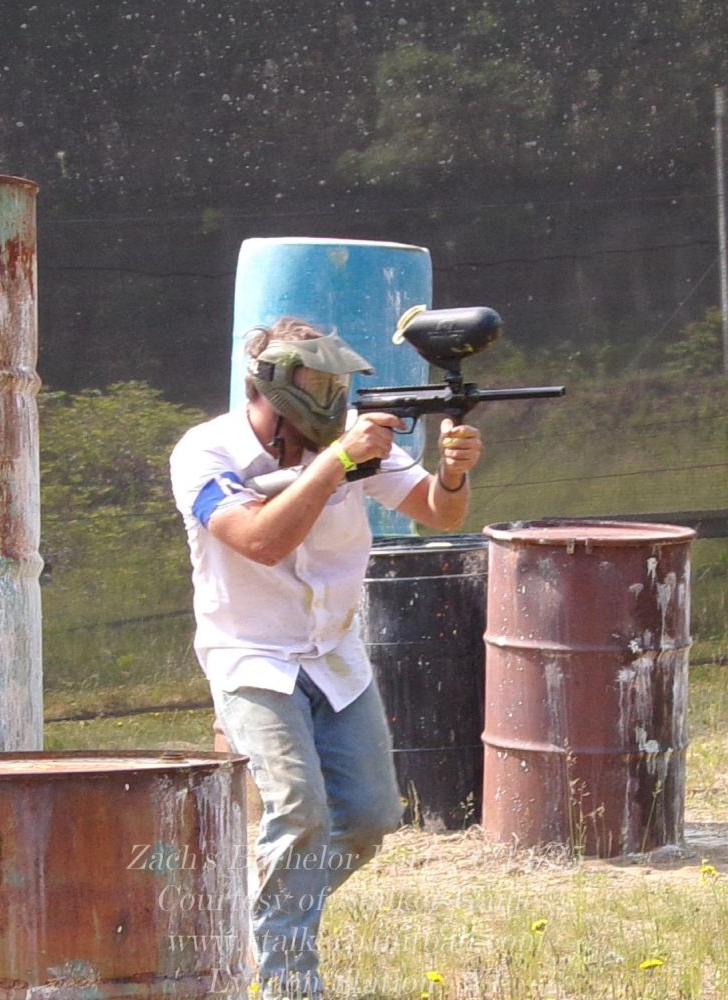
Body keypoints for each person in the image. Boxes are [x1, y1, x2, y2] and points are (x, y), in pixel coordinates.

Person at [169, 316, 483, 998]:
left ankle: (261, 908)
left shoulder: (346, 443)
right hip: (251, 657)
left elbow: (440, 513)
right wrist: (336, 463)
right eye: (316, 383)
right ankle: (289, 981)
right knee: (299, 813)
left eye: (335, 382)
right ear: (272, 385)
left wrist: (454, 475)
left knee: (369, 820)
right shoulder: (206, 453)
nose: (331, 397)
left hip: (334, 656)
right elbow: (259, 541)